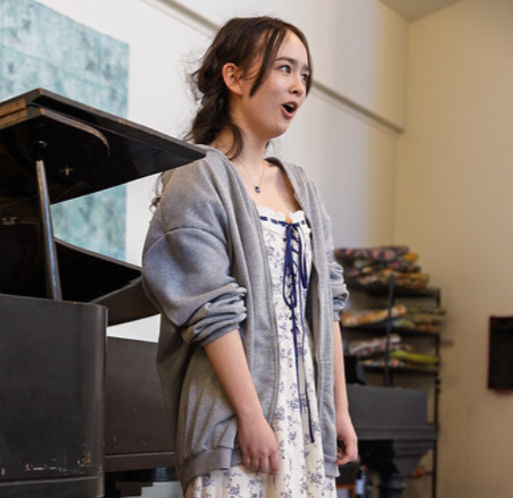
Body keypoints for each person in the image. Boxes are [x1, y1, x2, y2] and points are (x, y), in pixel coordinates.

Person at [142, 16, 358, 497]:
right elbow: (209, 311)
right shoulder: (196, 174)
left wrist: (339, 411)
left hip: (306, 424)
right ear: (235, 77)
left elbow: (328, 308)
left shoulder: (303, 187)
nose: (299, 86)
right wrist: (252, 417)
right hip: (235, 421)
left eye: (305, 74)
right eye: (285, 68)